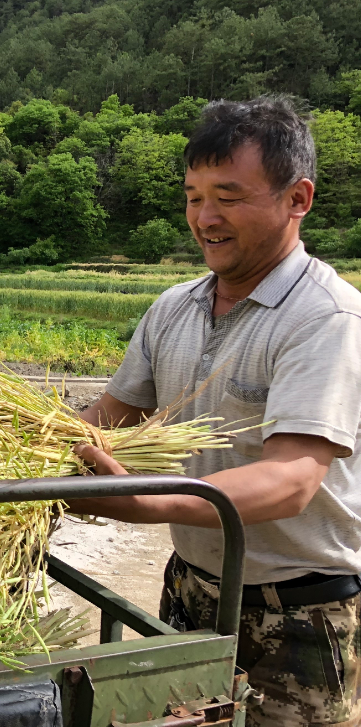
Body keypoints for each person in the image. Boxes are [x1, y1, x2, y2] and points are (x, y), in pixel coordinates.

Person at [70, 96, 361, 727]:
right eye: (194, 196)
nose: (206, 217)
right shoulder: (173, 307)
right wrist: (26, 456)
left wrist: (145, 503)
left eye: (228, 197)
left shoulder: (326, 319)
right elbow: (111, 415)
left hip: (298, 613)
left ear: (297, 199)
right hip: (190, 587)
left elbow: (291, 480)